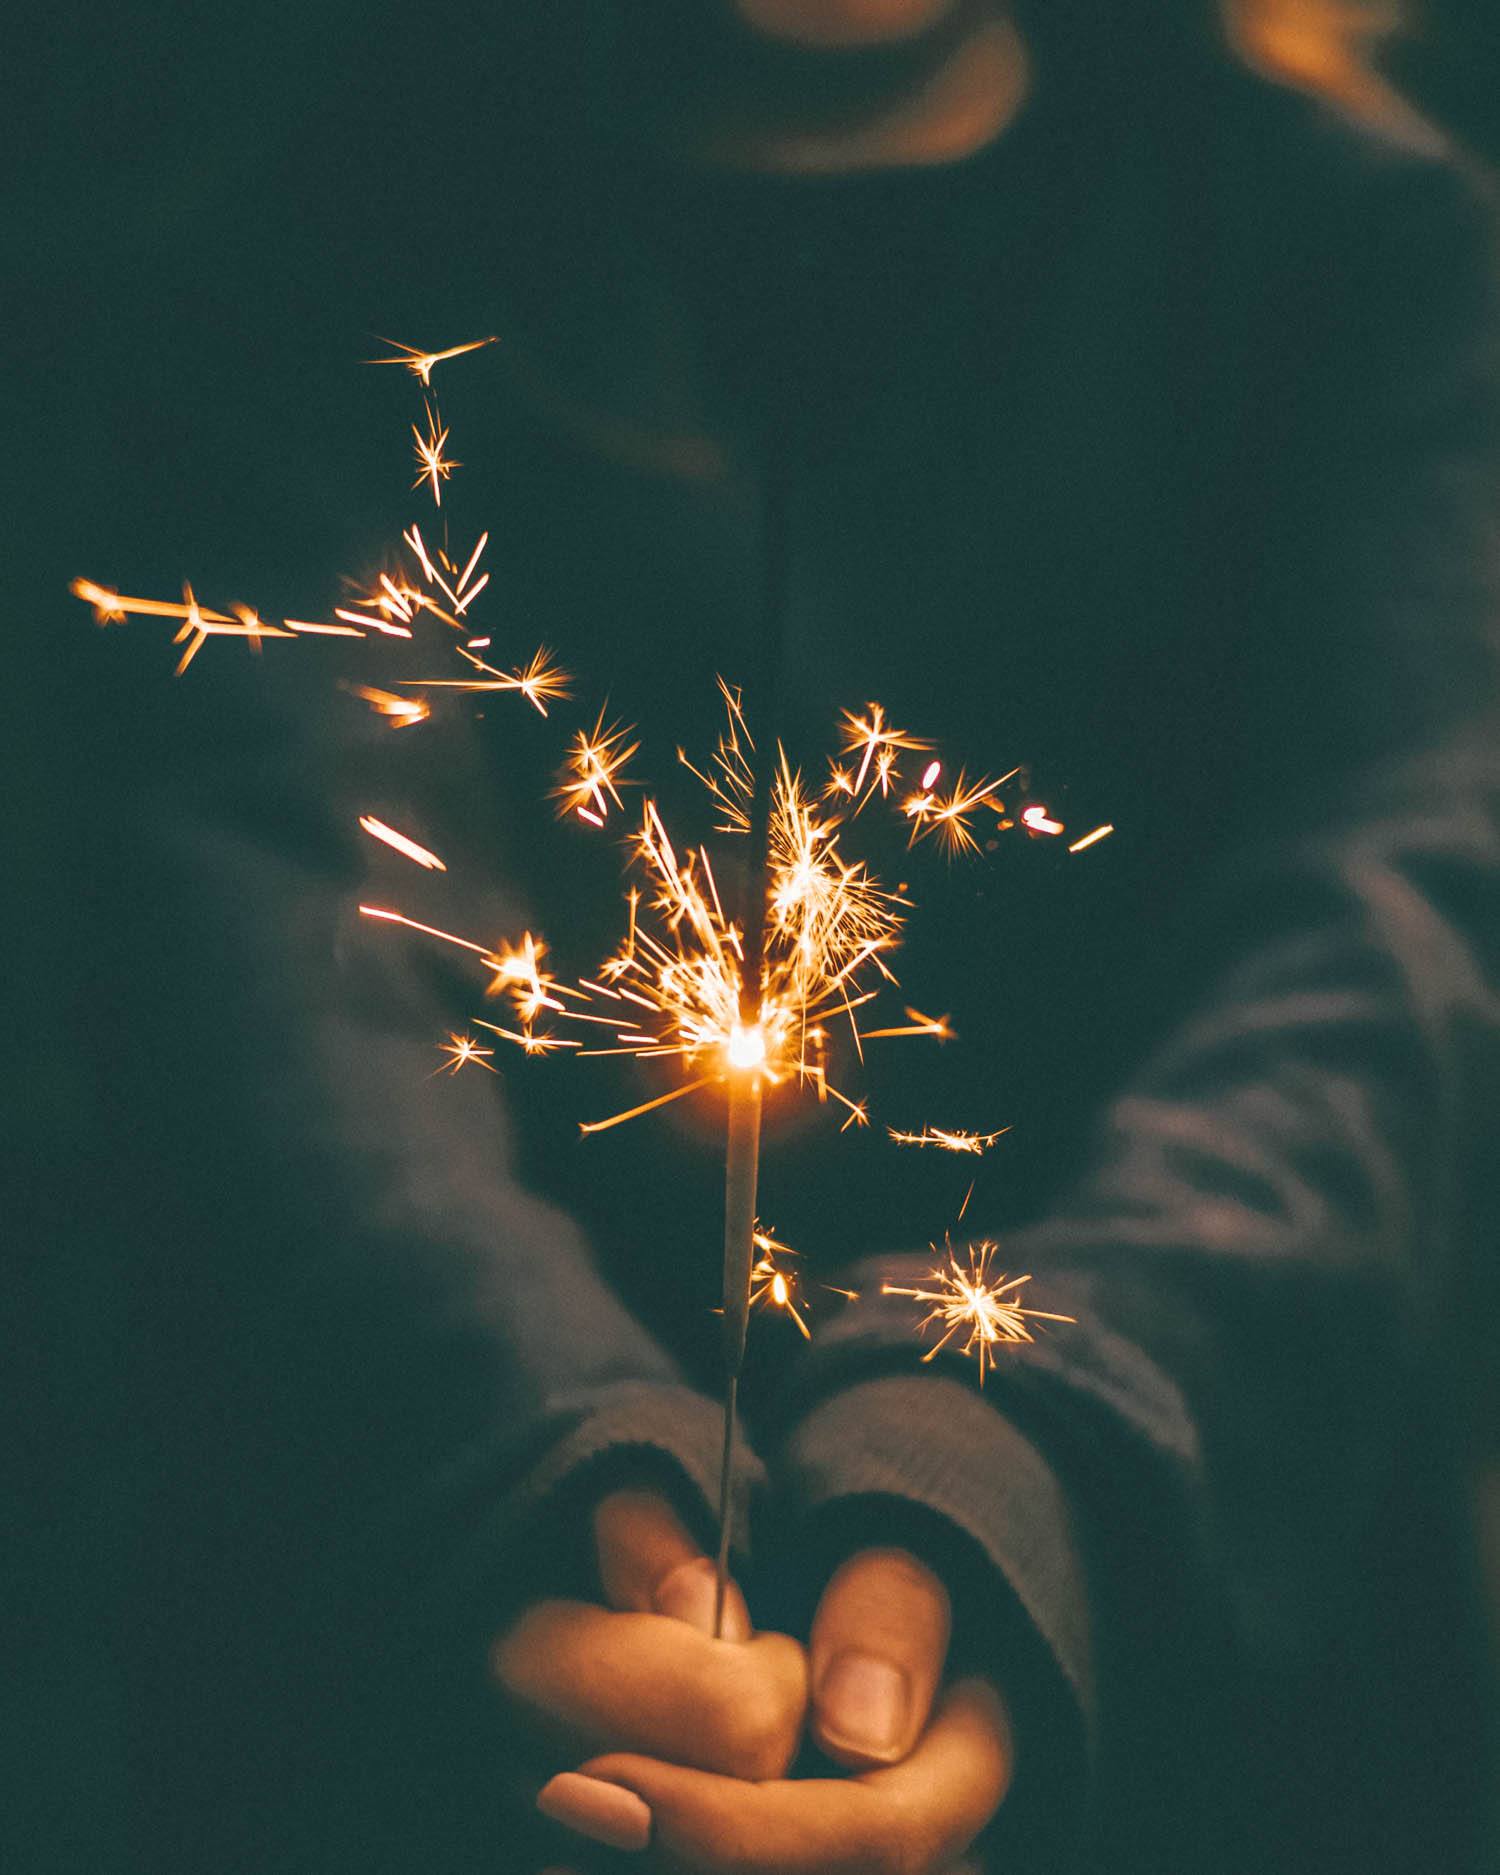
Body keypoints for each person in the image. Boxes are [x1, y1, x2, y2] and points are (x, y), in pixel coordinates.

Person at [14, 0, 1498, 1870]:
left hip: (1231, 1709)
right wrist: (554, 1464)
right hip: (422, 1701)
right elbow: (284, 941)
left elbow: (1393, 941)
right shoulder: (286, 263)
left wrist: (1011, 1451)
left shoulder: (1363, 252)